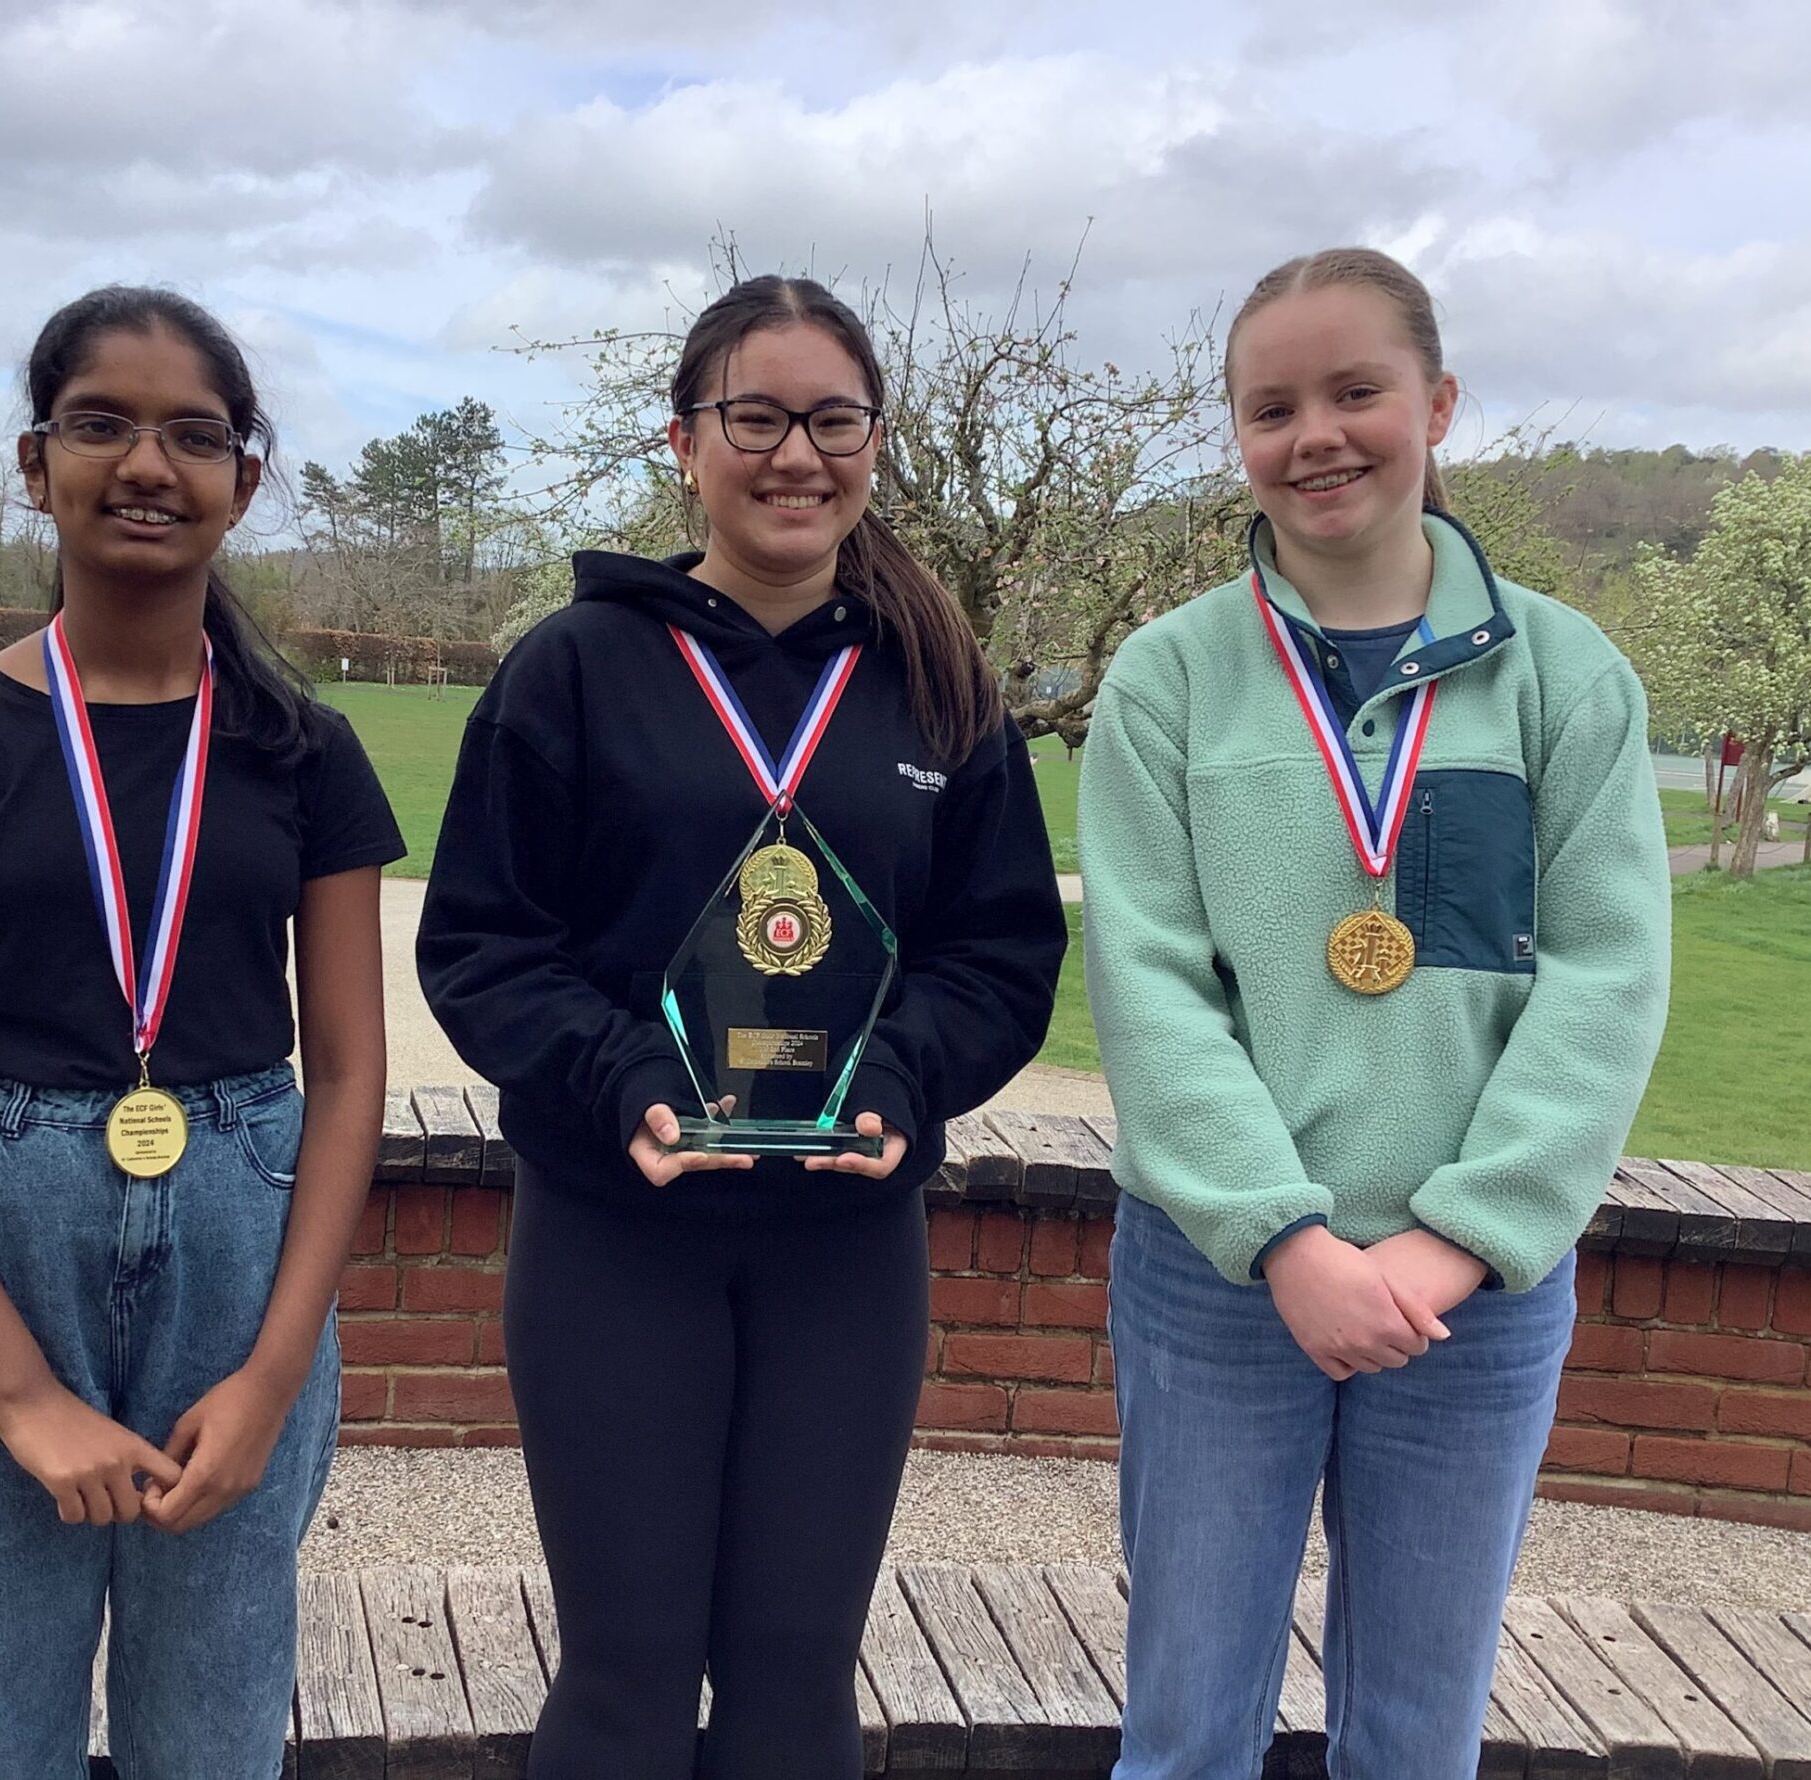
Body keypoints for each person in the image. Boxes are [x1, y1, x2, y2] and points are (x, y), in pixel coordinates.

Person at [417, 274, 1066, 1779]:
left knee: (793, 1688)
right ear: (683, 442)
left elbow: (1001, 954)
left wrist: (905, 1071)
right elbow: (485, 946)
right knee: (628, 1679)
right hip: (613, 1235)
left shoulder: (944, 685)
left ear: (874, 441)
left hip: (846, 1245)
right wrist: (623, 1074)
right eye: (756, 417)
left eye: (833, 419)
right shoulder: (570, 670)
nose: (797, 454)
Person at [1079, 247, 1672, 1780]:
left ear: (1440, 405)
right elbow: (1148, 986)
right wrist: (1282, 1236)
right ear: (1239, 436)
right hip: (1217, 1281)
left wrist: (1459, 1238)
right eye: (1272, 406)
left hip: (1469, 1294)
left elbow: (1605, 979)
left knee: (1415, 1735)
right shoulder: (1168, 682)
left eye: (1357, 391)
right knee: (1188, 1725)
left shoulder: (1567, 676)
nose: (1316, 435)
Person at [0, 286, 404, 1780]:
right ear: (36, 464)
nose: (148, 465)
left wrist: (273, 1377)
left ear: (243, 483)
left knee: (211, 1734)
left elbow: (344, 1074)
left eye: (193, 436)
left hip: (240, 1240)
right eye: (103, 425)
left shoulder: (304, 751)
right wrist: (17, 1391)